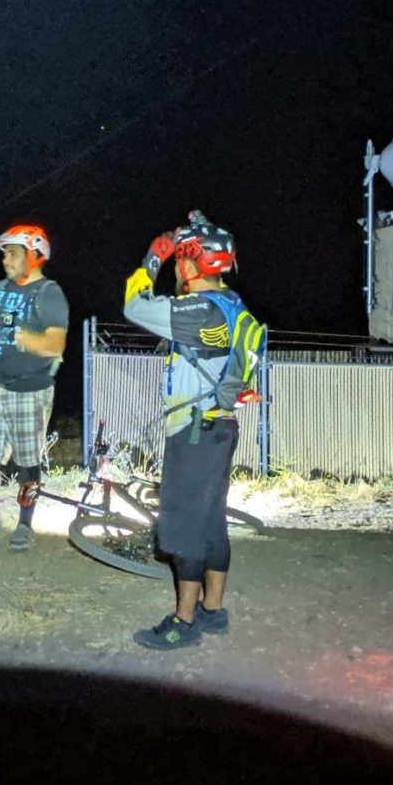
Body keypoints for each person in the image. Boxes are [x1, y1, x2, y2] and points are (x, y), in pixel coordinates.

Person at [121, 211, 267, 649]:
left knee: (185, 529)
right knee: (211, 522)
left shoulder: (201, 311)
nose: (177, 268)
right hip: (220, 427)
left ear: (191, 263)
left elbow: (133, 305)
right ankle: (213, 611)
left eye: (182, 259)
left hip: (194, 431)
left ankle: (183, 623)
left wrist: (152, 257)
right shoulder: (232, 306)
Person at [0, 224, 70, 551]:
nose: (5, 259)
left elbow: (56, 343)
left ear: (34, 256)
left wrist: (26, 339)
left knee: (27, 461)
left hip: (31, 390)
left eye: (12, 253)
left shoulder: (49, 293)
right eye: (5, 253)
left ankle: (24, 525)